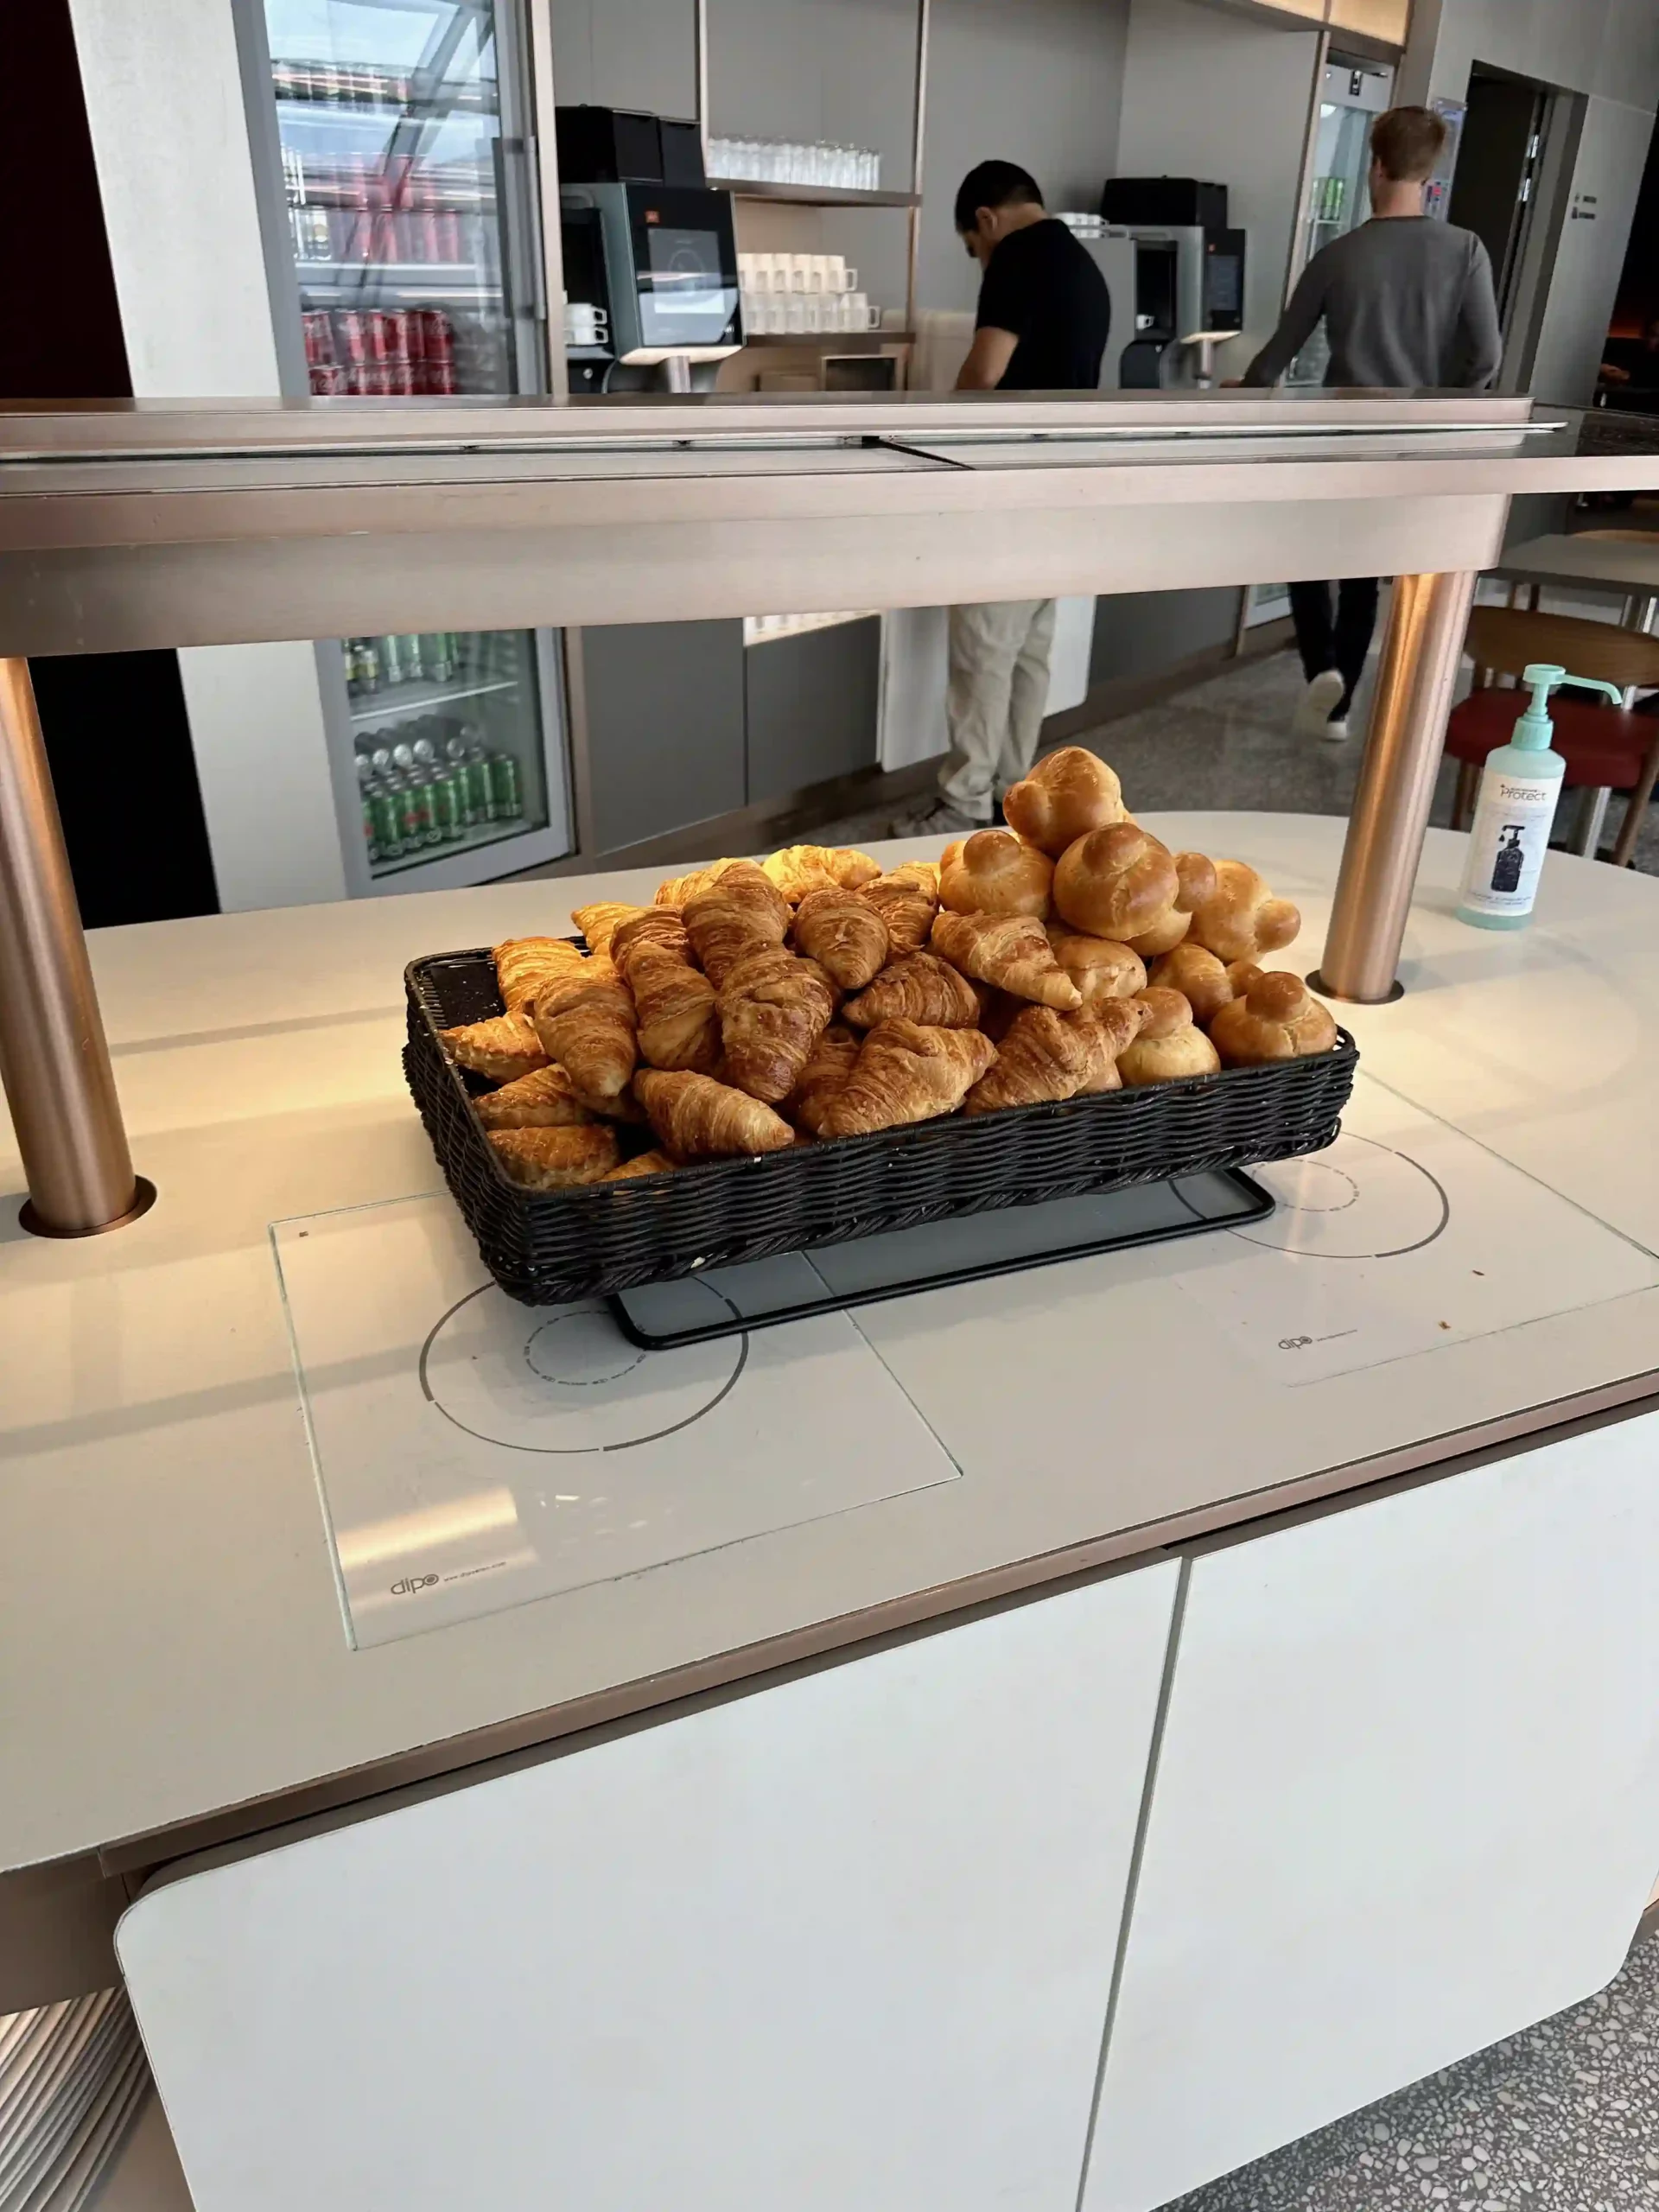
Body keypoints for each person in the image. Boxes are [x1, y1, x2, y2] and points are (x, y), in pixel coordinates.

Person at [1243, 105, 1502, 743]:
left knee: (1305, 557)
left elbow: (1277, 357)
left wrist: (1238, 397)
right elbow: (1486, 356)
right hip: (1412, 443)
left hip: (1336, 434)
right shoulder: (1465, 250)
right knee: (1364, 574)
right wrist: (1447, 414)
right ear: (1430, 172)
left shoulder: (1340, 254)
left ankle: (1321, 667)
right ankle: (1340, 709)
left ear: (1376, 165)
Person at [894, 161, 1110, 835]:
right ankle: (1019, 800)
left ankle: (962, 804)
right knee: (1028, 651)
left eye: (973, 246)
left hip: (1011, 491)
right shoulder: (1082, 265)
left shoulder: (1017, 260)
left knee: (984, 652)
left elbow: (984, 371)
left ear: (986, 220)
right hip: (1064, 490)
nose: (980, 259)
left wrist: (942, 440)